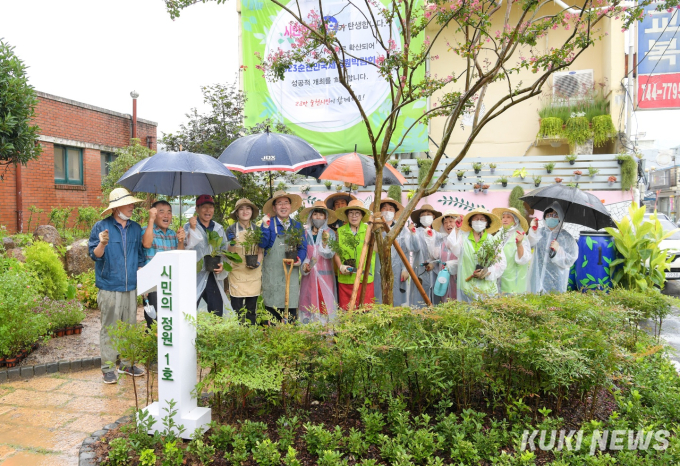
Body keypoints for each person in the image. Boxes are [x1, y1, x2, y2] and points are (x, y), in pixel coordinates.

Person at [88, 187, 146, 384]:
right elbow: (94, 255)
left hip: (130, 287)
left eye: (132, 203)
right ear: (116, 207)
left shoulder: (136, 228)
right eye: (128, 203)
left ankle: (127, 364)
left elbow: (140, 256)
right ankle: (108, 368)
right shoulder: (101, 227)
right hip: (109, 286)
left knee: (130, 327)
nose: (132, 206)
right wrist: (102, 243)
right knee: (110, 327)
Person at [260, 190, 307, 323]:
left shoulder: (297, 226)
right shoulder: (268, 224)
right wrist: (264, 227)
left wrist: (299, 259)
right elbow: (262, 244)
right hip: (272, 275)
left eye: (286, 203)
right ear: (274, 208)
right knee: (272, 318)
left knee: (291, 318)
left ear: (290, 207)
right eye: (279, 203)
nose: (283, 206)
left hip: (290, 274)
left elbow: (302, 247)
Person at [141, 200, 186, 329]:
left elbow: (180, 258)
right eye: (161, 212)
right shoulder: (145, 230)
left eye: (169, 212)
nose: (166, 216)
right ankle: (153, 348)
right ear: (154, 214)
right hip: (152, 284)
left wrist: (181, 241)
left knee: (170, 320)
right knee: (154, 322)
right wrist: (150, 220)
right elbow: (147, 244)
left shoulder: (173, 234)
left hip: (169, 282)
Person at [445, 208, 507, 302]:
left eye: (482, 219)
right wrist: (456, 228)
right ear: (471, 222)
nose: (478, 221)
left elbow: (501, 263)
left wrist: (487, 272)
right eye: (475, 219)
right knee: (467, 315)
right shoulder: (463, 238)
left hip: (487, 290)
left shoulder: (493, 241)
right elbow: (453, 247)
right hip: (466, 288)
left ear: (486, 223)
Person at [184, 195, 232, 317]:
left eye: (210, 207)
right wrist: (192, 229)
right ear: (197, 209)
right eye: (204, 207)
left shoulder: (218, 228)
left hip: (213, 275)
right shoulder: (188, 226)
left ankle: (214, 335)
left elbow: (224, 251)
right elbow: (185, 247)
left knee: (216, 311)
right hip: (194, 274)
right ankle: (190, 335)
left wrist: (222, 265)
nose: (208, 211)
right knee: (189, 308)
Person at [298, 200, 338, 324]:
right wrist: (305, 265)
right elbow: (304, 252)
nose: (318, 217)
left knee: (324, 302)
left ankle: (326, 333)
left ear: (325, 217)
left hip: (325, 276)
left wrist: (325, 244)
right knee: (308, 302)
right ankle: (309, 332)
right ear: (311, 216)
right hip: (309, 276)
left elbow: (330, 254)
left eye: (321, 215)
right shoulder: (305, 233)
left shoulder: (330, 233)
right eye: (315, 214)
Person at [226, 198, 265, 325]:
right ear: (237, 213)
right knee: (236, 309)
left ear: (252, 212)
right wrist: (232, 242)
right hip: (237, 272)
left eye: (248, 208)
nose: (245, 211)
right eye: (241, 209)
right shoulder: (231, 229)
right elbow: (230, 254)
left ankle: (251, 334)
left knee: (251, 309)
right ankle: (237, 336)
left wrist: (257, 263)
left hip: (253, 273)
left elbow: (260, 252)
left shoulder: (257, 230)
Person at [334, 199, 377, 309]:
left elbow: (376, 250)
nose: (354, 216)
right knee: (347, 313)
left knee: (365, 313)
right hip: (346, 279)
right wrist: (340, 266)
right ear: (347, 215)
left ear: (362, 215)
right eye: (351, 213)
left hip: (365, 278)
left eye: (357, 213)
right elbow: (336, 252)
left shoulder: (369, 230)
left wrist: (377, 233)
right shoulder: (340, 231)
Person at [527, 202, 578, 294]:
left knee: (554, 304)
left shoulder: (566, 237)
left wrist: (559, 249)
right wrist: (533, 230)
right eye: (549, 215)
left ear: (560, 218)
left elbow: (570, 260)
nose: (551, 217)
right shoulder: (540, 233)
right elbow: (529, 244)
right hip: (537, 276)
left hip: (556, 279)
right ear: (544, 217)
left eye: (555, 215)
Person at [370, 196, 409, 306]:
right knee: (379, 294)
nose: (387, 211)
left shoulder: (400, 229)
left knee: (395, 295)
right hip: (378, 267)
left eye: (391, 209)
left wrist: (405, 269)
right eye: (384, 208)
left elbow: (405, 250)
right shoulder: (375, 228)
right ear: (380, 211)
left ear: (395, 212)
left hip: (397, 268)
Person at [407, 204, 443, 308]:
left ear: (433, 217)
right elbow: (413, 248)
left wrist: (433, 264)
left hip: (436, 271)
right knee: (419, 297)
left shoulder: (438, 234)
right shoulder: (416, 232)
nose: (426, 217)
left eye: (428, 214)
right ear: (419, 218)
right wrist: (413, 234)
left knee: (436, 296)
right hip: (419, 270)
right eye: (423, 215)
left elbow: (441, 253)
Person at [492, 207, 532, 295]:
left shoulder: (520, 235)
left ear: (515, 221)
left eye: (508, 217)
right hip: (498, 280)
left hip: (514, 283)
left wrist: (519, 244)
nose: (505, 220)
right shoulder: (498, 235)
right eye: (503, 217)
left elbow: (523, 260)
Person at [431, 210, 463, 304]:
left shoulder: (463, 238)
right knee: (445, 301)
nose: (448, 224)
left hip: (458, 277)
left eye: (451, 221)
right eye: (445, 223)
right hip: (444, 277)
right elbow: (435, 256)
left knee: (459, 301)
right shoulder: (441, 241)